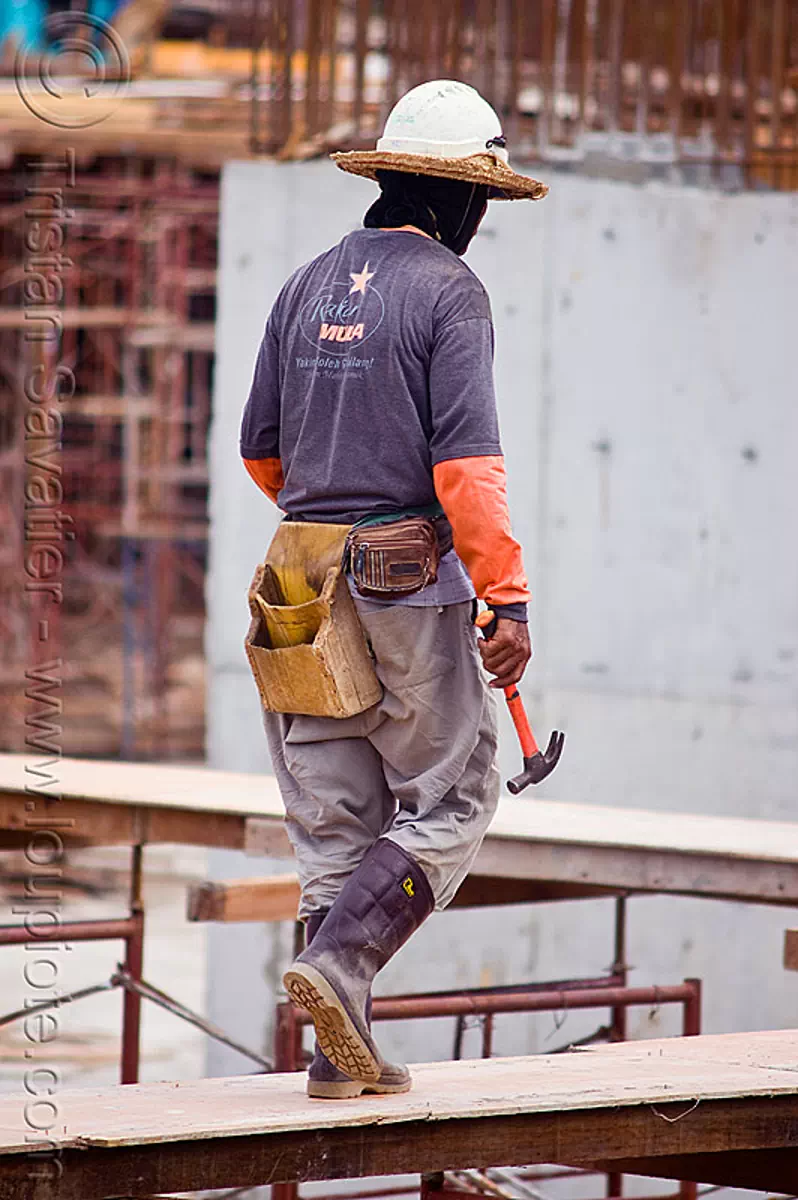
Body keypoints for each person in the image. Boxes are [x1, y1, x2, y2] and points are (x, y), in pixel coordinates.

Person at [240, 79, 547, 1098]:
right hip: (406, 579)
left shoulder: (304, 283)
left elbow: (262, 456)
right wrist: (508, 598)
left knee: (333, 822)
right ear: (460, 197)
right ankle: (341, 964)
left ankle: (340, 1052)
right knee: (454, 793)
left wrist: (328, 519)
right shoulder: (449, 292)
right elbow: (467, 472)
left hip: (297, 582)